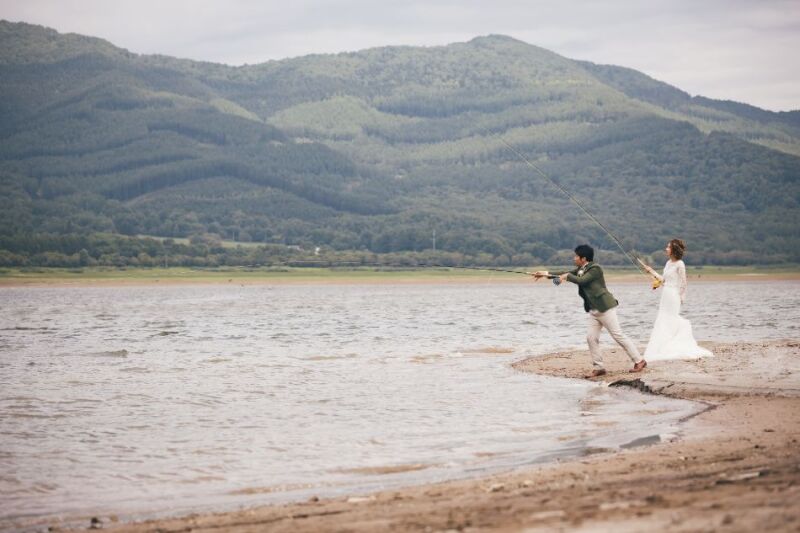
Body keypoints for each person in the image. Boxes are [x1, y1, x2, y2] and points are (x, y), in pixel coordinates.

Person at [533, 244, 646, 378]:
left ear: (583, 258)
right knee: (591, 338)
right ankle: (599, 368)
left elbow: (582, 281)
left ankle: (639, 361)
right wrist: (545, 274)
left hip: (605, 308)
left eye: (576, 256)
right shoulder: (581, 269)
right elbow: (564, 273)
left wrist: (567, 276)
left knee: (618, 336)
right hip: (593, 310)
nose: (574, 258)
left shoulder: (595, 269)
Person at [638, 239, 713, 360]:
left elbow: (684, 283)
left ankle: (670, 346)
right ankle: (662, 347)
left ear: (674, 250)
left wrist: (681, 297)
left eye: (668, 247)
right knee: (663, 319)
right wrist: (651, 271)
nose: (666, 249)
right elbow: (663, 280)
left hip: (674, 296)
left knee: (671, 319)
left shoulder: (680, 264)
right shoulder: (668, 263)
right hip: (666, 295)